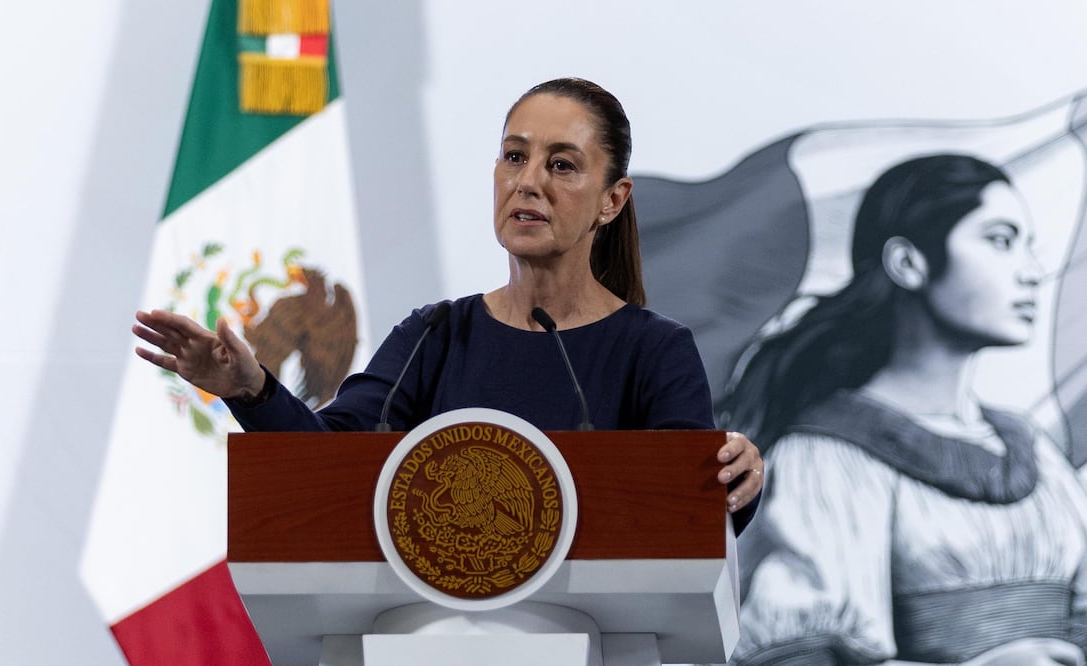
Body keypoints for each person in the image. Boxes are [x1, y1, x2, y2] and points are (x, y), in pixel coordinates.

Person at [132, 77, 763, 531]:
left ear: (612, 200)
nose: (528, 181)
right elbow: (329, 463)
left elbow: (690, 521)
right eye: (514, 156)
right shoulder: (434, 336)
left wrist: (739, 481)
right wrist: (251, 388)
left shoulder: (654, 350)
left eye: (562, 165)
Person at [723, 154, 1087, 664]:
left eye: (1030, 246)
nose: (1032, 272)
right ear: (908, 263)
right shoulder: (828, 455)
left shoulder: (1035, 453)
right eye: (1001, 241)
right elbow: (801, 655)